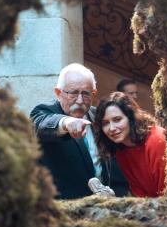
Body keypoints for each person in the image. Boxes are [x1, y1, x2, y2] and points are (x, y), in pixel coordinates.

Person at [30, 63, 129, 199]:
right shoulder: (44, 111)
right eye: (73, 93)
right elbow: (42, 124)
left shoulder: (100, 116)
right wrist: (67, 123)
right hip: (64, 208)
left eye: (86, 93)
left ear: (93, 94)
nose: (80, 100)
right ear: (58, 93)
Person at [94, 92, 167, 197]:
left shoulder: (156, 140)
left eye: (117, 120)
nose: (112, 128)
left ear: (131, 117)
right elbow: (139, 194)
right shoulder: (122, 150)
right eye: (105, 123)